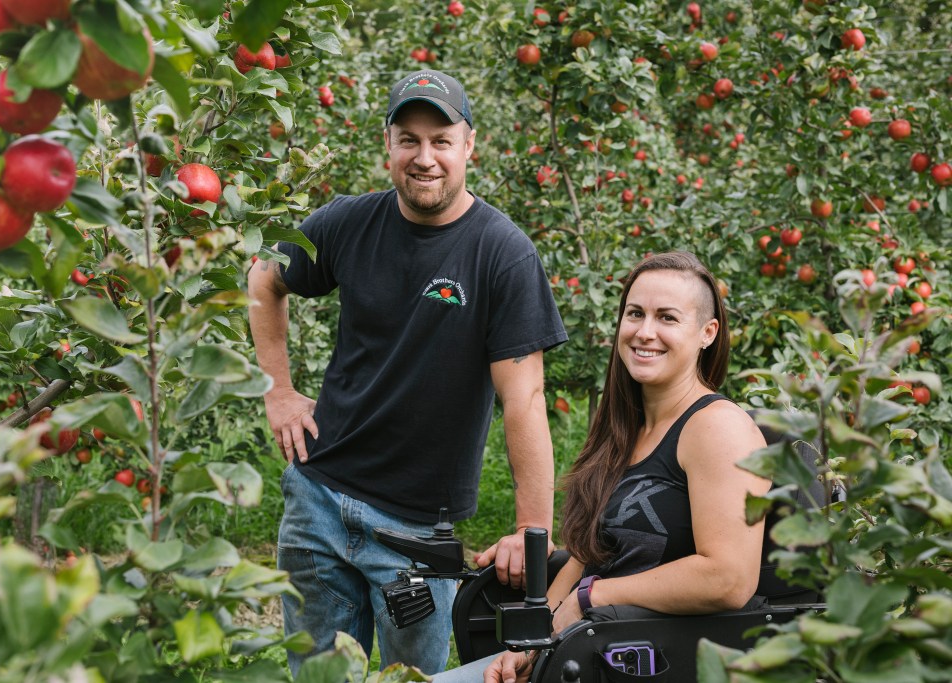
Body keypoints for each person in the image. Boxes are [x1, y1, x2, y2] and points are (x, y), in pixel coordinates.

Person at [247, 68, 568, 676]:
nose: (425, 158)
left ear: (469, 146)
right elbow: (264, 278)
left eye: (441, 140)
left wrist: (533, 531)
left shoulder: (502, 254)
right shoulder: (347, 222)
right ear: (388, 147)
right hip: (318, 497)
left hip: (417, 532)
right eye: (409, 139)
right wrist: (279, 392)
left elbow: (524, 400)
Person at [433, 251, 771, 683]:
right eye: (635, 314)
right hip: (587, 653)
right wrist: (530, 647)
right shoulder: (626, 428)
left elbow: (728, 577)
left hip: (648, 660)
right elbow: (588, 554)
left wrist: (591, 598)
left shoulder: (717, 428)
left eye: (667, 318)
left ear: (707, 333)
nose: (645, 332)